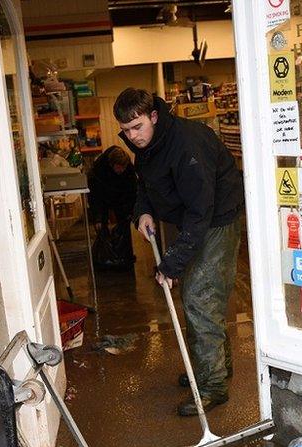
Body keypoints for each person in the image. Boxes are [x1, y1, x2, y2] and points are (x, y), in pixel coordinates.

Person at [114, 88, 243, 416]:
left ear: (153, 116)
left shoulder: (186, 143)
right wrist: (142, 211)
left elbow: (202, 209)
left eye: (137, 127)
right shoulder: (148, 143)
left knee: (200, 296)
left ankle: (213, 385)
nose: (132, 137)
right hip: (192, 216)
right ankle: (213, 366)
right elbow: (145, 183)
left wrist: (171, 265)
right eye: (126, 131)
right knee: (204, 295)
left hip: (216, 218)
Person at [87, 145, 137, 271]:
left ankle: (124, 258)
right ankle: (105, 261)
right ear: (111, 164)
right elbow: (95, 197)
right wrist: (98, 218)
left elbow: (132, 191)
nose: (121, 170)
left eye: (123, 167)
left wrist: (130, 212)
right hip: (102, 196)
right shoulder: (98, 170)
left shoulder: (128, 169)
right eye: (119, 167)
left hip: (121, 197)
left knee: (124, 227)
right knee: (101, 229)